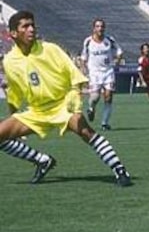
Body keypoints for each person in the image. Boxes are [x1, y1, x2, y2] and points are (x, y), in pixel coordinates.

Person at [0, 10, 132, 186]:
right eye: (25, 26)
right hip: (37, 111)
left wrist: (74, 97)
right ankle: (42, 160)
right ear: (13, 34)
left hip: (62, 106)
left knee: (86, 132)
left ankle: (120, 170)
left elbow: (75, 75)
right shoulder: (9, 61)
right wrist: (13, 116)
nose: (31, 29)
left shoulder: (51, 49)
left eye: (33, 25)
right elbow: (14, 93)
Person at [80, 18, 124, 131]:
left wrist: (117, 60)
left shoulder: (109, 40)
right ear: (94, 28)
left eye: (102, 26)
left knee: (108, 97)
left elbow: (119, 51)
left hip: (108, 72)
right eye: (98, 26)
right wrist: (84, 71)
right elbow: (83, 58)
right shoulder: (88, 41)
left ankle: (105, 123)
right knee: (95, 97)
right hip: (94, 73)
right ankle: (91, 108)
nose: (100, 29)